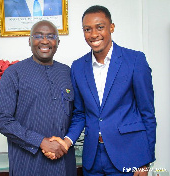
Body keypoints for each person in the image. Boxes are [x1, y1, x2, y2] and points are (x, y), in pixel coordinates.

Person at [46, 5, 157, 176]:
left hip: (129, 156)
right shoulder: (77, 67)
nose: (94, 34)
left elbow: (147, 113)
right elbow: (80, 114)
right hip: (93, 158)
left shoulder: (135, 60)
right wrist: (66, 142)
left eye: (100, 27)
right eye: (87, 29)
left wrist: (145, 161)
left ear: (111, 27)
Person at [0, 20, 76, 176]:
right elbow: (1, 119)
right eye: (38, 36)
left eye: (51, 36)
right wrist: (40, 142)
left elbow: (78, 114)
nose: (45, 41)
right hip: (28, 164)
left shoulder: (67, 72)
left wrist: (65, 142)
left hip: (65, 163)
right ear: (29, 41)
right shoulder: (13, 74)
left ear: (58, 42)